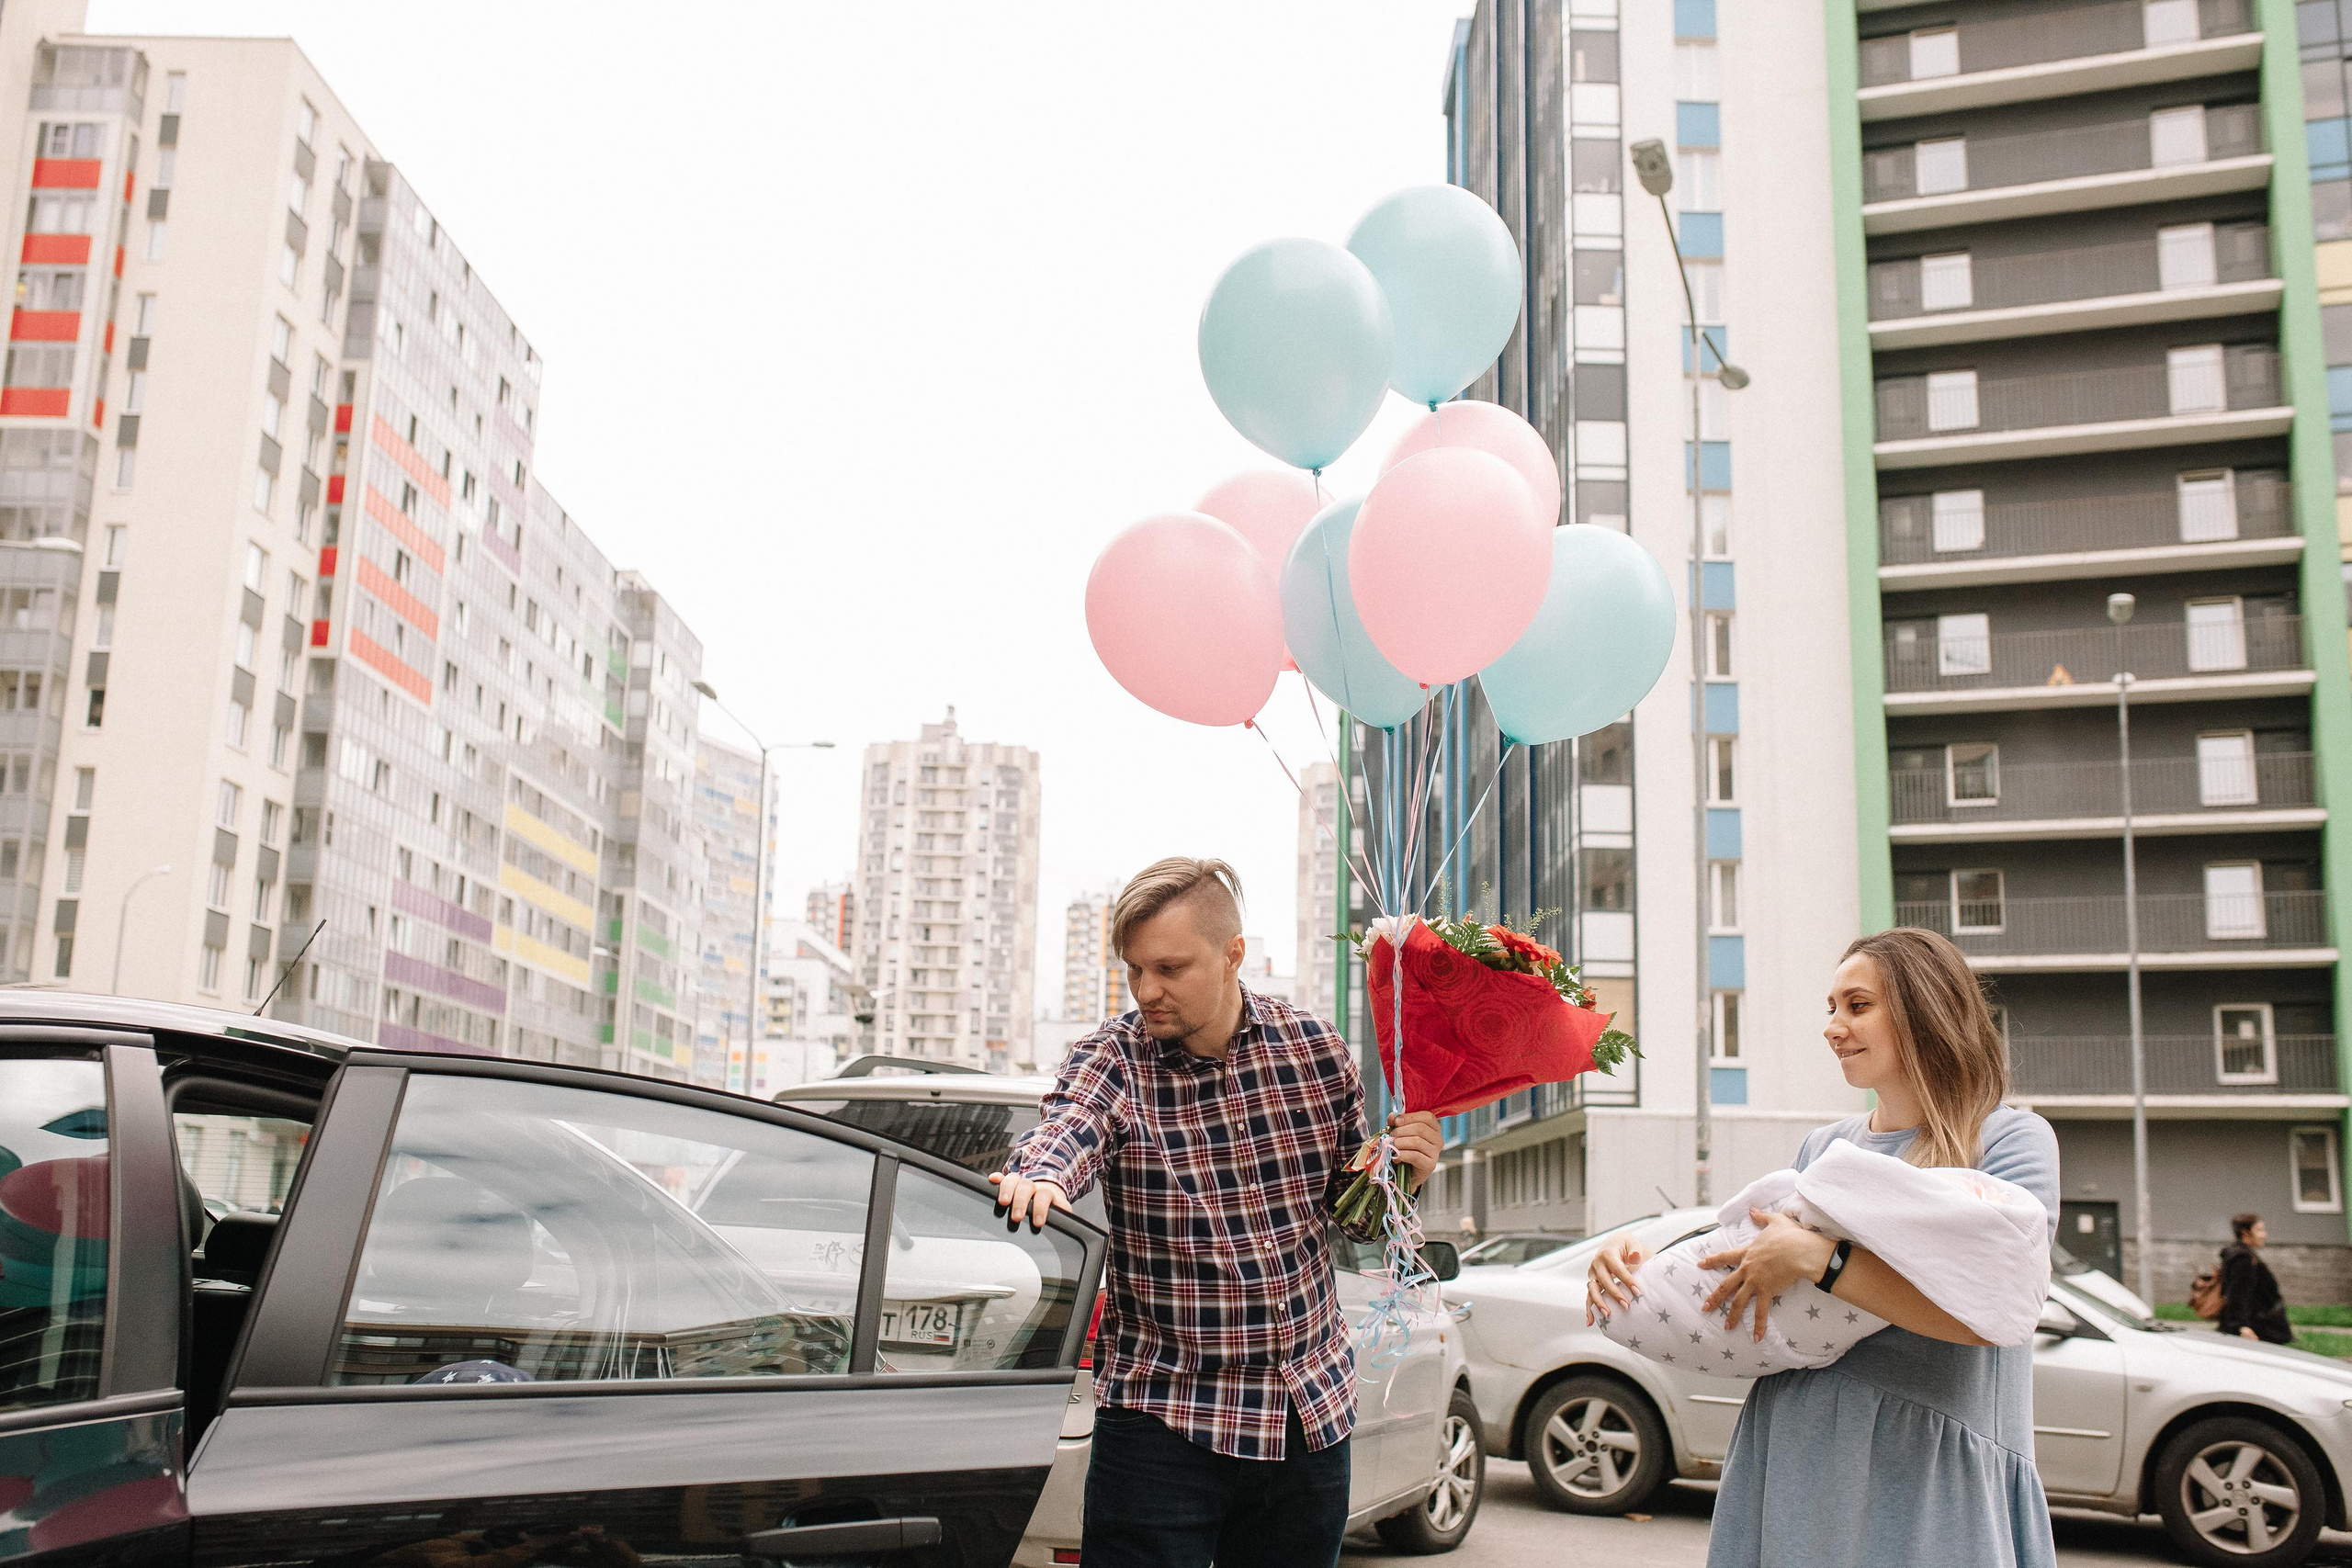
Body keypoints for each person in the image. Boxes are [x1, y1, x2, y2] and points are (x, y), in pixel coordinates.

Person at [991, 857, 1440, 1568]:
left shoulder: (1316, 1051)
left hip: (1305, 1414)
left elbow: (1355, 1217)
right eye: (1134, 969)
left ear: (1233, 952)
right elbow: (1068, 1125)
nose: (1147, 990)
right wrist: (1039, 1175)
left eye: (1168, 967)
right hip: (1163, 1421)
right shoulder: (1113, 1059)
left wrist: (1403, 1170)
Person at [1586, 928, 2060, 1568]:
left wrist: (1823, 1261)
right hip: (1798, 1450)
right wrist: (1636, 1256)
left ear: (1924, 1008)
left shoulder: (2010, 1139)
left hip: (1926, 1474)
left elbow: (1996, 1316)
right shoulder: (1825, 1147)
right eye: (1830, 1008)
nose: (1834, 1026)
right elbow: (1749, 1264)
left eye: (1857, 1005)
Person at [2218, 1213, 2293, 1345]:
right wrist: (2241, 1326)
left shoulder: (2243, 1255)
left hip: (2259, 1325)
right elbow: (2238, 1294)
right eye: (2259, 1230)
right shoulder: (2243, 1259)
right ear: (2245, 1232)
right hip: (2257, 1329)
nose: (2264, 1235)